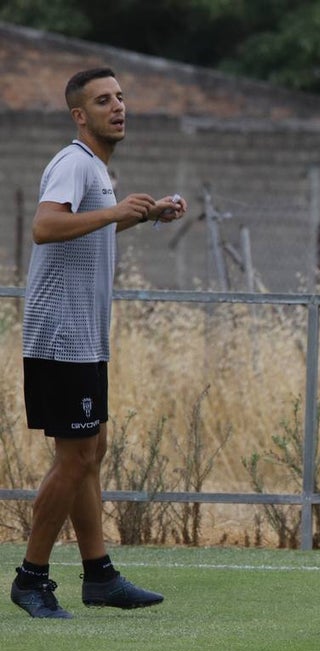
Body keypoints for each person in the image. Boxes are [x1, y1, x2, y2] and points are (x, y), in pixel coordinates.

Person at [13, 67, 185, 619]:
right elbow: (45, 226)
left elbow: (86, 228)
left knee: (92, 451)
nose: (118, 107)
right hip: (60, 335)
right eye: (104, 100)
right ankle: (30, 579)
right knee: (76, 457)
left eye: (120, 97)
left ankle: (100, 576)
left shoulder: (96, 169)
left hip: (85, 336)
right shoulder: (73, 162)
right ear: (79, 115)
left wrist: (143, 214)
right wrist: (113, 211)